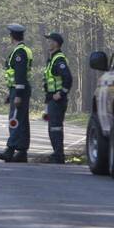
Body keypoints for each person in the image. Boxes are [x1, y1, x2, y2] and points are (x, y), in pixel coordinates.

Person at [0, 24, 34, 162]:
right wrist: (11, 93)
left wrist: (17, 94)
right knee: (22, 121)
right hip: (19, 89)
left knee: (15, 120)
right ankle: (22, 152)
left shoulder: (19, 52)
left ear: (12, 36)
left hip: (20, 90)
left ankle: (10, 149)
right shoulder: (23, 50)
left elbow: (20, 74)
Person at [42, 32, 73, 164]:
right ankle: (56, 154)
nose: (48, 43)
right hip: (51, 100)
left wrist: (61, 93)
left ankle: (59, 156)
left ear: (56, 43)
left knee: (55, 128)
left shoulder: (58, 59)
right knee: (52, 127)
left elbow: (68, 78)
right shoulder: (52, 59)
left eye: (50, 41)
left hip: (57, 101)